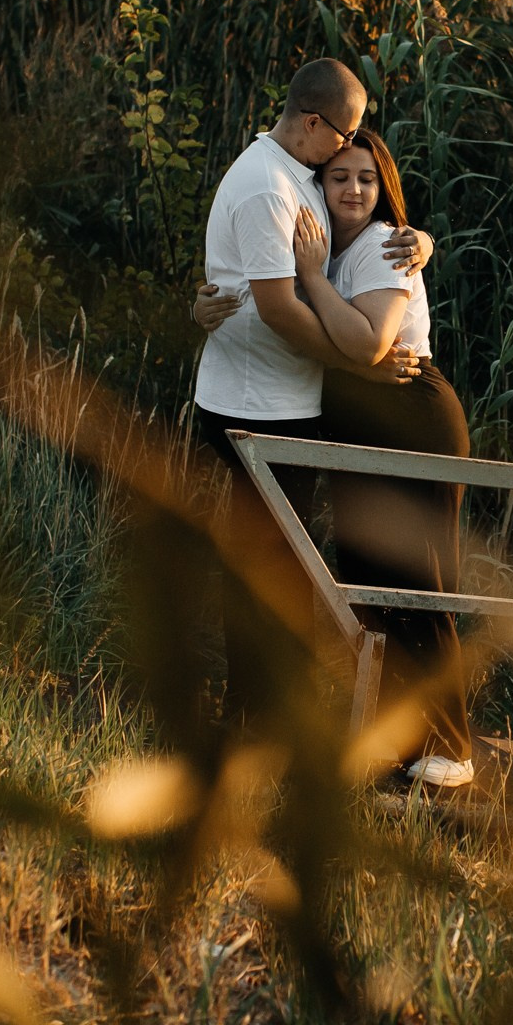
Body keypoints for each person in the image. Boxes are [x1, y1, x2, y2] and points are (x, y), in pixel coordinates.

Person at [190, 59, 430, 729]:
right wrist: (362, 369)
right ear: (314, 122)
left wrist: (421, 240)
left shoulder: (293, 171)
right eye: (345, 134)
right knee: (271, 565)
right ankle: (259, 712)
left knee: (279, 561)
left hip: (282, 400)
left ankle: (264, 706)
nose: (347, 147)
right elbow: (278, 310)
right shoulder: (268, 186)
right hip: (257, 408)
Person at [290, 130, 473, 788]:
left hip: (411, 417)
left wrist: (314, 281)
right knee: (367, 582)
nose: (353, 190)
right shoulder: (325, 246)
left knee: (416, 583)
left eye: (367, 178)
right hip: (365, 422)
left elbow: (372, 345)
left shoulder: (383, 246)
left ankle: (452, 747)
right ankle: (398, 738)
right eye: (340, 176)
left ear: (383, 186)